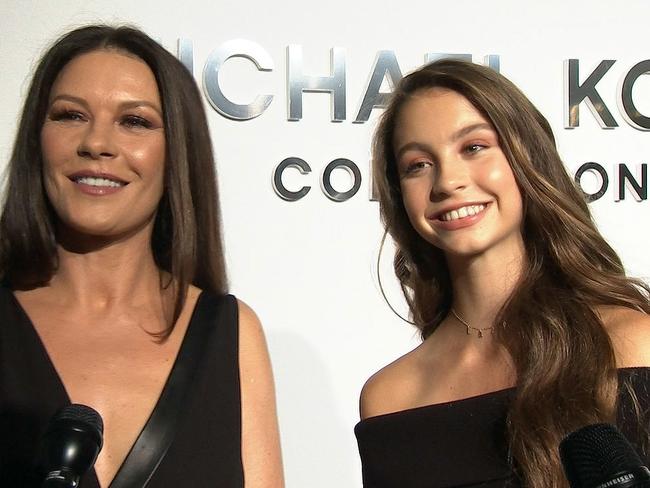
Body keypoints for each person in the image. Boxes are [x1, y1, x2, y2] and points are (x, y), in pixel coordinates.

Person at [0, 25, 283, 487]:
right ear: (37, 137)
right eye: (70, 115)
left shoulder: (231, 334)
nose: (96, 143)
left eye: (134, 121)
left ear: (177, 152)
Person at [355, 59, 650, 487]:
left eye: (473, 147)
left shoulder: (631, 343)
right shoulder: (390, 399)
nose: (448, 181)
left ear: (525, 156)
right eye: (417, 164)